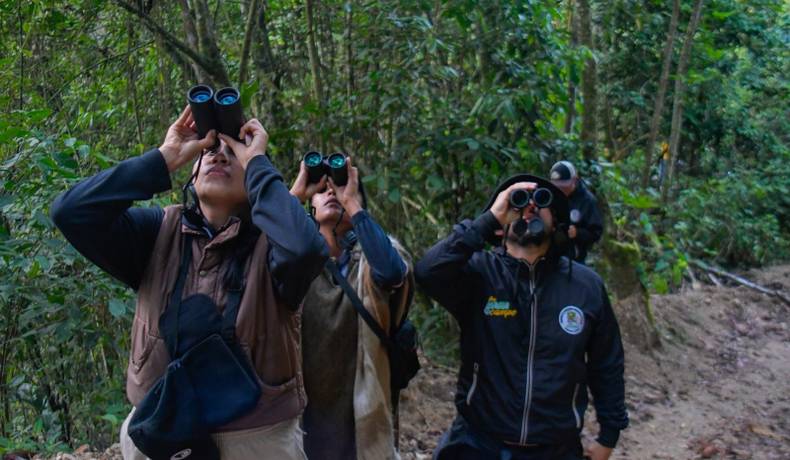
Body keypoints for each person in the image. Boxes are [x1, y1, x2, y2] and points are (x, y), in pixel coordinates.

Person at [50, 106, 327, 459]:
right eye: (209, 150)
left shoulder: (274, 246)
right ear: (192, 174)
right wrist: (165, 158)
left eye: (234, 153)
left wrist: (258, 162)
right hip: (161, 434)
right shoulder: (158, 234)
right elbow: (70, 212)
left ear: (254, 181)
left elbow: (307, 249)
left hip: (257, 439)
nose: (219, 156)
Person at [415, 173, 628, 460]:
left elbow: (607, 362)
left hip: (555, 448)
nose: (530, 208)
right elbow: (427, 272)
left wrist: (609, 435)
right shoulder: (479, 275)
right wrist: (488, 219)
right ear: (501, 227)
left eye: (541, 202)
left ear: (557, 222)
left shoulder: (585, 286)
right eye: (518, 202)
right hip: (479, 443)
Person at [290, 156, 413, 460]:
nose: (332, 193)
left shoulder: (375, 257)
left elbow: (392, 273)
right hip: (303, 408)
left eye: (341, 188)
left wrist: (354, 205)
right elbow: (254, 256)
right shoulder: (294, 260)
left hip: (361, 405)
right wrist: (295, 195)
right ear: (309, 206)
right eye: (323, 190)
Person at [549, 161, 603, 265]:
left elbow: (596, 233)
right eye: (557, 186)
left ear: (574, 180)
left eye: (564, 185)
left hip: (575, 259)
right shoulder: (549, 196)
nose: (560, 189)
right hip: (549, 256)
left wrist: (577, 233)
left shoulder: (587, 200)